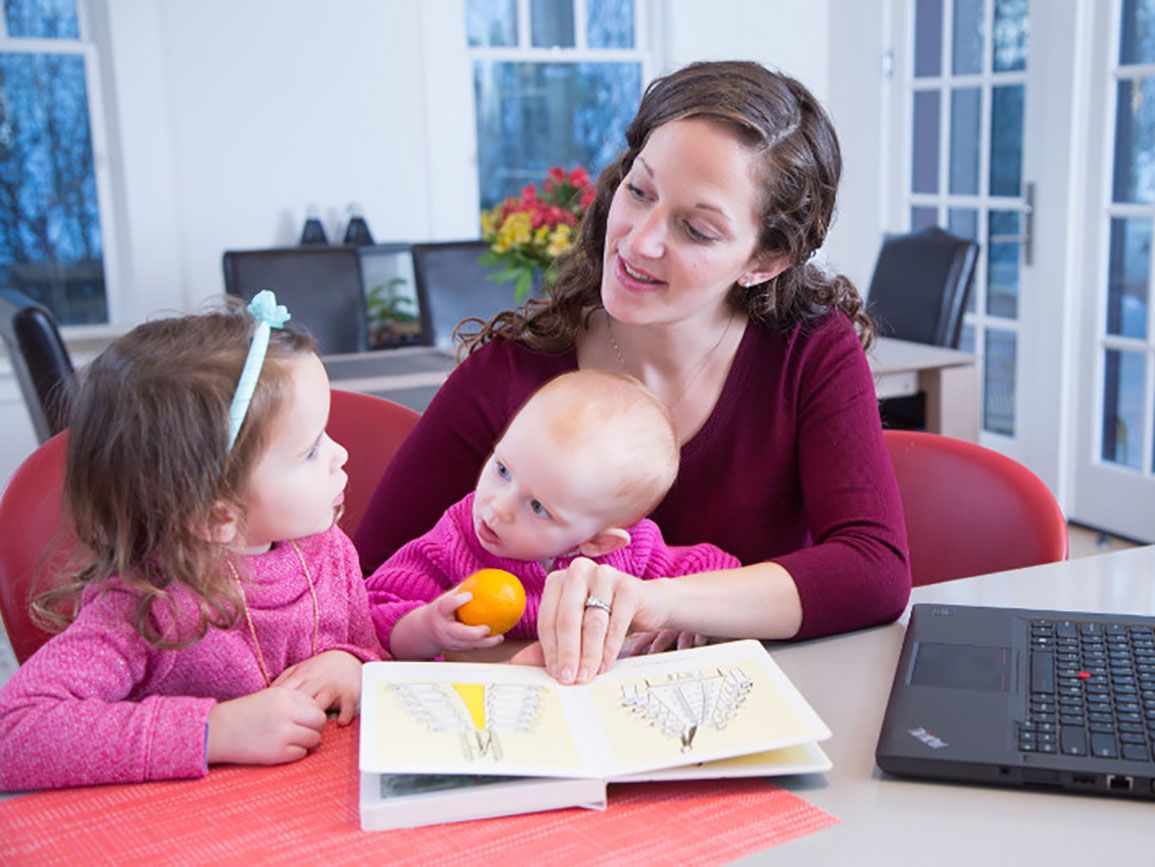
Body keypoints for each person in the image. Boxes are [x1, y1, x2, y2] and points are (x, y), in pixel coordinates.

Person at [354, 60, 910, 685]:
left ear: (764, 260)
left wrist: (651, 603)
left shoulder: (808, 352)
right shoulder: (509, 375)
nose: (639, 241)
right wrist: (492, 654)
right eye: (640, 191)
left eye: (696, 229)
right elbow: (359, 592)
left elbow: (874, 571)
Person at [0, 292, 384, 791]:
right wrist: (213, 731)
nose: (341, 454)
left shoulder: (329, 553)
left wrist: (354, 664)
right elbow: (15, 734)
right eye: (310, 450)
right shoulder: (143, 605)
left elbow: (371, 649)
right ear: (215, 515)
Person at [366, 369, 740, 661]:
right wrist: (427, 628)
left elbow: (720, 572)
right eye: (502, 470)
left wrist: (683, 615)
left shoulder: (632, 554)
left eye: (538, 507)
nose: (498, 506)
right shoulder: (456, 537)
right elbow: (372, 614)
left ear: (596, 541)